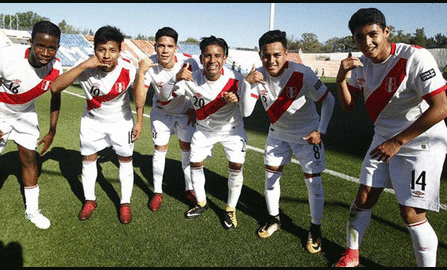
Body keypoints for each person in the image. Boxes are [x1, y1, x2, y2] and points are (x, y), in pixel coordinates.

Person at [333, 8, 447, 267]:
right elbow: (348, 106)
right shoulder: (361, 64)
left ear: (386, 32)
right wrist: (341, 79)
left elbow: (442, 107)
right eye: (360, 37)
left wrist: (397, 142)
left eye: (373, 34)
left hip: (422, 142)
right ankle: (351, 255)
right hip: (383, 139)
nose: (367, 42)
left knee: (411, 213)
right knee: (363, 198)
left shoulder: (414, 57)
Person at [240, 30, 335, 253]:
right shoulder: (257, 76)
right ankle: (274, 219)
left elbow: (328, 100)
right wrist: (246, 84)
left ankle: (315, 228)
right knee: (270, 178)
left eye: (276, 55)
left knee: (313, 183)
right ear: (260, 54)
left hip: (307, 136)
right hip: (277, 134)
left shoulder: (304, 74)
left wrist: (320, 130)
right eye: (266, 55)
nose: (271, 60)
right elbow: (245, 112)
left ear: (286, 53)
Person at [0, 21, 62, 248]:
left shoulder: (56, 68)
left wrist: (52, 130)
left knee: (30, 160)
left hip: (25, 115)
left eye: (51, 48)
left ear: (58, 48)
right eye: (40, 45)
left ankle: (32, 211)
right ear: (31, 42)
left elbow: (56, 95)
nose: (45, 53)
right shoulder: (7, 57)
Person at [51, 26, 143, 224]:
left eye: (112, 50)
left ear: (120, 51)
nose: (106, 55)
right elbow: (55, 87)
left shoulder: (128, 68)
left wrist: (140, 122)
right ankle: (89, 200)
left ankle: (125, 203)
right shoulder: (84, 66)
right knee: (88, 161)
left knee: (126, 162)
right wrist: (84, 66)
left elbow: (139, 96)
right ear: (95, 50)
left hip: (122, 123)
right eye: (102, 49)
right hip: (92, 123)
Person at [158, 36, 247, 230]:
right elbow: (163, 97)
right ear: (201, 58)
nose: (212, 60)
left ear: (225, 58)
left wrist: (238, 98)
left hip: (232, 131)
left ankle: (230, 208)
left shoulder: (236, 78)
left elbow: (249, 107)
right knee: (195, 163)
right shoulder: (192, 78)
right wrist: (175, 78)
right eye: (207, 55)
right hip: (204, 130)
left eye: (217, 56)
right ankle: (202, 202)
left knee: (236, 167)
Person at [136, 27, 200, 212]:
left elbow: (201, 87)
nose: (165, 50)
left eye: (169, 46)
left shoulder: (190, 62)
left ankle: (189, 189)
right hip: (161, 112)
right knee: (159, 149)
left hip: (185, 111)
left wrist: (195, 110)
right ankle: (157, 191)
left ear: (176, 48)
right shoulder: (148, 64)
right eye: (161, 46)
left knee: (186, 149)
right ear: (155, 46)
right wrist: (140, 73)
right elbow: (140, 99)